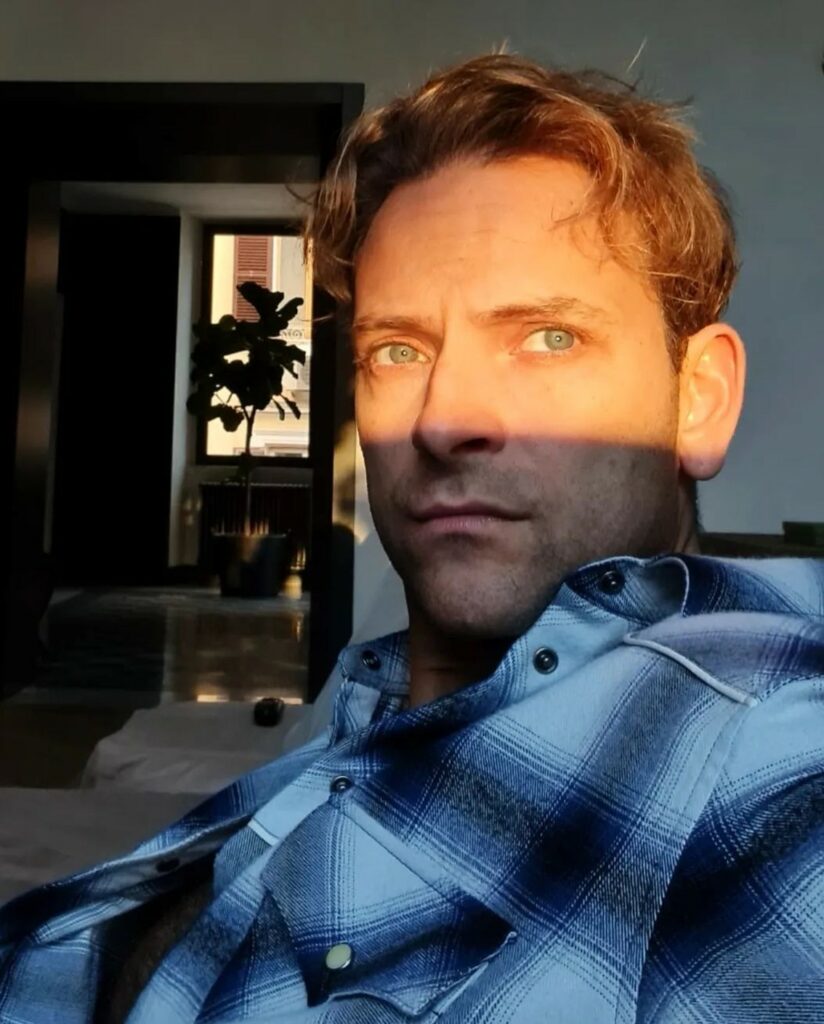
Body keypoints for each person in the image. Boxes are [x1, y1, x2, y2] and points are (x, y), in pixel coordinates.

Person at [2, 53, 823, 1024]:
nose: (443, 418)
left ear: (700, 398)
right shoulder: (380, 696)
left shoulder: (773, 763)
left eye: (547, 336)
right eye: (399, 349)